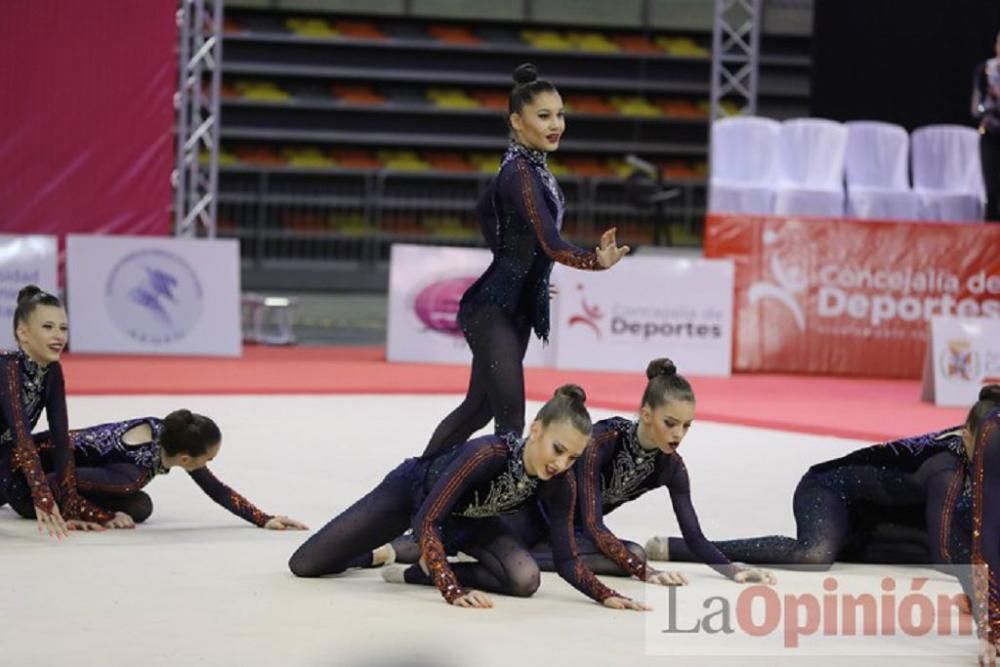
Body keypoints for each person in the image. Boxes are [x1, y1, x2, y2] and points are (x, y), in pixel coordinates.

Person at [389, 359, 774, 586]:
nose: (679, 434)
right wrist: (645, 572)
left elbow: (694, 534)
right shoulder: (602, 442)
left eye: (687, 426)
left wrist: (732, 569)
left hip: (567, 537)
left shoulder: (671, 468)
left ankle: (433, 560)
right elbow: (591, 521)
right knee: (628, 557)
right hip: (529, 518)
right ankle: (402, 555)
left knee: (633, 552)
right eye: (672, 423)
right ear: (646, 415)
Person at [422, 62, 629, 458]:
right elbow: (550, 244)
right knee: (511, 424)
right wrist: (594, 262)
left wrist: (512, 261)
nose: (557, 125)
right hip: (493, 309)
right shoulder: (520, 171)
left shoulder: (529, 167)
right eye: (544, 116)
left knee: (476, 411)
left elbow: (485, 210)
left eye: (561, 115)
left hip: (511, 308)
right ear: (517, 121)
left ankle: (416, 484)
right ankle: (449, 498)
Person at [288, 385, 646, 611]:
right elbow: (427, 519)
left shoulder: (560, 483)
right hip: (413, 496)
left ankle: (415, 572)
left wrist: (605, 595)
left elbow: (567, 558)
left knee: (525, 579)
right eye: (557, 449)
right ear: (535, 430)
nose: (560, 463)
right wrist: (452, 589)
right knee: (307, 565)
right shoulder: (487, 454)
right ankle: (367, 556)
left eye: (572, 457)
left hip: (471, 520)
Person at [20, 410, 306, 530]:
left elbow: (216, 489)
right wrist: (104, 517)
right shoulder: (131, 473)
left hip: (66, 468)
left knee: (141, 507)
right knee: (131, 500)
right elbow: (53, 480)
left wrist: (264, 519)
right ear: (184, 459)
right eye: (208, 459)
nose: (208, 466)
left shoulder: (168, 434)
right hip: (24, 479)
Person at [0, 285, 126, 537]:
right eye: (48, 327)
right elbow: (22, 435)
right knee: (25, 490)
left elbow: (60, 439)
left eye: (63, 328)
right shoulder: (7, 368)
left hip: (8, 461)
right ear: (23, 333)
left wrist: (70, 502)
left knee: (140, 506)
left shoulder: (52, 371)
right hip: (10, 462)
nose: (58, 336)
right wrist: (42, 495)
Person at [973, 29, 1000, 222]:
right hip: (990, 134)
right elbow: (975, 109)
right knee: (992, 192)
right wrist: (988, 107)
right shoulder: (985, 70)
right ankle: (990, 246)